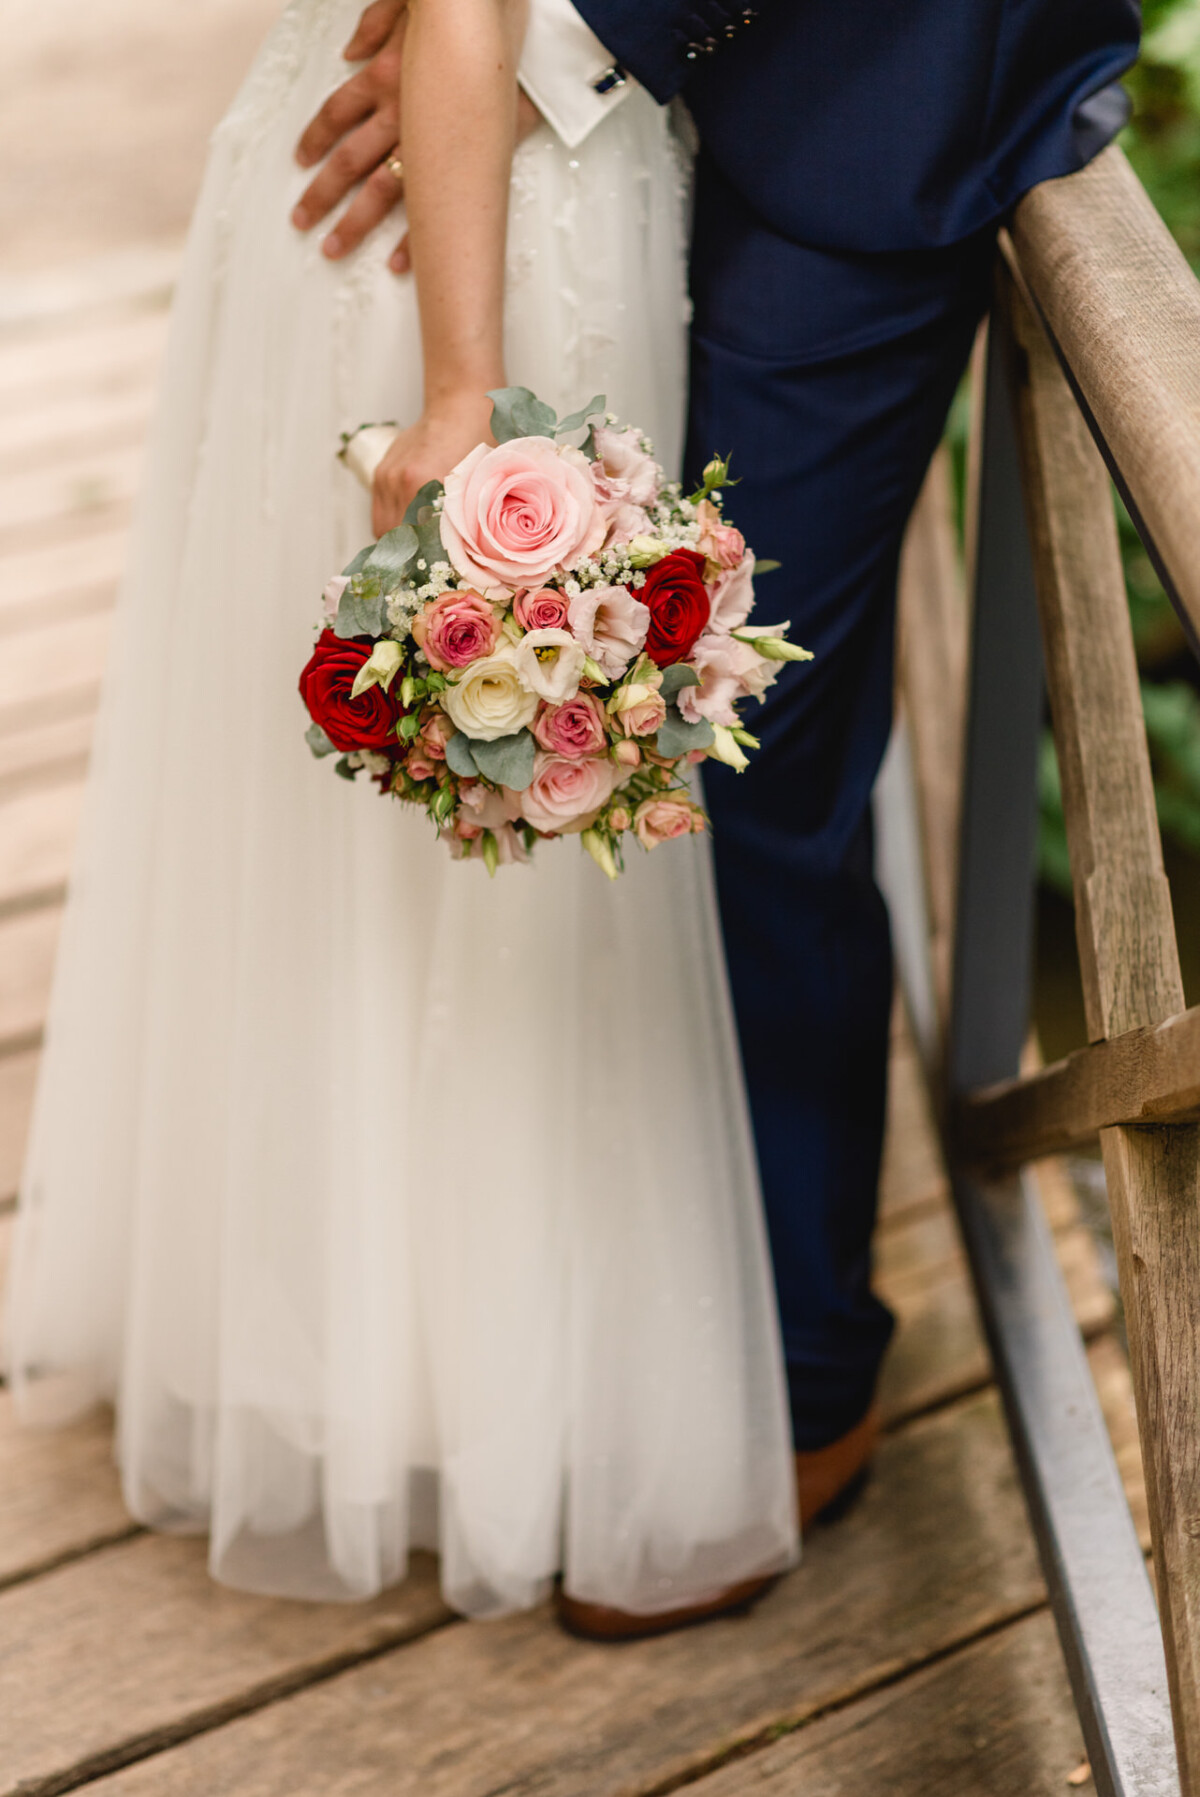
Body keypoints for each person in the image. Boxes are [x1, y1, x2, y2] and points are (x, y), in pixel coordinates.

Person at [293, 0, 1143, 1634]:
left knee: (734, 747)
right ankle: (525, 1302)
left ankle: (807, 1368)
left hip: (860, 86)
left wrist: (560, 37)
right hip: (559, 99)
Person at [3, 0, 799, 1633]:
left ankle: (345, 1349)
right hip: (471, 225)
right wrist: (463, 390)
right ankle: (495, 1378)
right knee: (477, 812)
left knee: (379, 816)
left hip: (389, 158)